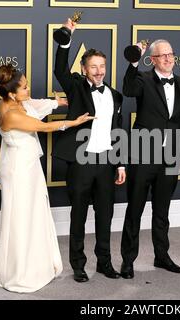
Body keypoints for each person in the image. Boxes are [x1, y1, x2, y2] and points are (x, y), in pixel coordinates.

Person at [0, 64, 94, 293]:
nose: (29, 90)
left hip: (26, 165)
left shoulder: (14, 102)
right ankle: (20, 272)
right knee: (21, 218)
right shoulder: (11, 114)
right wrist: (74, 122)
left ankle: (31, 264)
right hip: (20, 171)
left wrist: (57, 103)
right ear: (11, 93)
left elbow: (33, 104)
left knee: (30, 215)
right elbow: (43, 126)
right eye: (25, 87)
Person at [52, 19, 126, 283]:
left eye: (102, 66)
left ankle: (104, 263)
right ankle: (79, 265)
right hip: (81, 161)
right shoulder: (75, 86)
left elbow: (118, 130)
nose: (99, 71)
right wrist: (67, 37)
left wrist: (120, 164)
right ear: (83, 69)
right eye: (93, 66)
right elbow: (60, 68)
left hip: (107, 162)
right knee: (79, 215)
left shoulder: (115, 95)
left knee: (105, 216)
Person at [120, 39, 180, 279]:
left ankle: (162, 257)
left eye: (171, 54)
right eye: (162, 56)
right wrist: (133, 62)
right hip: (143, 153)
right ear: (152, 60)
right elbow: (129, 90)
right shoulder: (142, 79)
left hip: (171, 155)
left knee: (162, 212)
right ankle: (128, 261)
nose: (168, 59)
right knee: (135, 210)